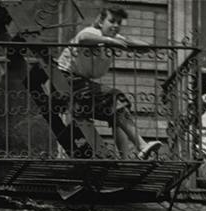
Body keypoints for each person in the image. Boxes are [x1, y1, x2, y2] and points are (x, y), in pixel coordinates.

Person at [55, 6, 163, 160]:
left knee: (118, 108)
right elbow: (84, 38)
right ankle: (141, 146)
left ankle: (128, 156)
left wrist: (127, 42)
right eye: (111, 21)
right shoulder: (93, 32)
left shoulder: (113, 38)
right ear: (100, 21)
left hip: (80, 84)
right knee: (114, 97)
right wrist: (110, 40)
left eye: (119, 22)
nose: (115, 25)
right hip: (65, 79)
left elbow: (145, 48)